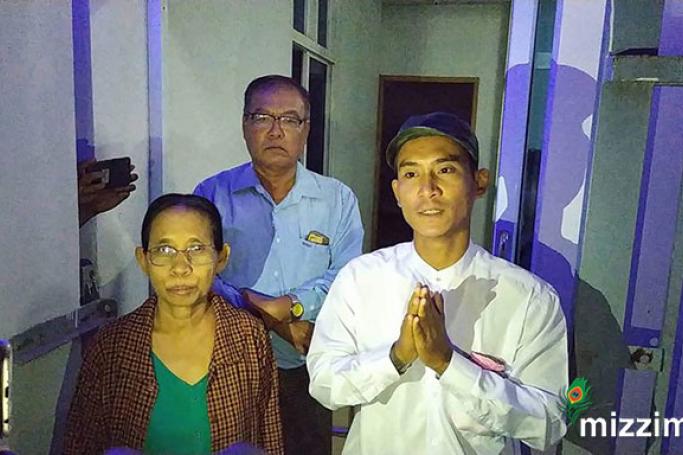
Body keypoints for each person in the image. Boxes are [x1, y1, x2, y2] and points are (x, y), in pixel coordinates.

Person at [307, 112, 569, 454]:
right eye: (411, 174)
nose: (427, 189)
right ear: (397, 192)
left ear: (479, 182)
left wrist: (449, 362)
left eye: (445, 170)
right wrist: (396, 357)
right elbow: (324, 384)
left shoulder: (528, 297)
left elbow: (549, 424)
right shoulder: (361, 279)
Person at [194, 75, 364, 454]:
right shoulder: (211, 195)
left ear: (306, 130)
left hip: (309, 359)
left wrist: (292, 306)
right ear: (244, 125)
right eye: (262, 117)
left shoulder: (337, 199)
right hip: (229, 361)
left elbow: (346, 277)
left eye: (289, 119)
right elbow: (200, 274)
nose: (275, 131)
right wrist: (275, 323)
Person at [64, 194, 283, 455]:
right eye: (164, 250)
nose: (180, 268)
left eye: (196, 249)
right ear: (144, 260)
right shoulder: (113, 346)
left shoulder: (248, 336)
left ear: (221, 257)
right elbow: (81, 443)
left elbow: (269, 436)